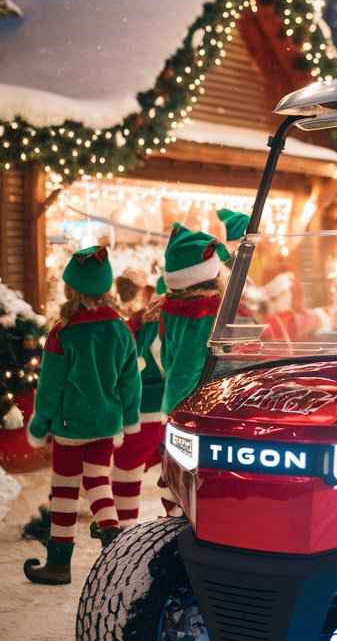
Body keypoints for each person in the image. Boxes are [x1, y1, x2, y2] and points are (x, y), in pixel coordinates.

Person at [23, 246, 141, 585]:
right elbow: (129, 382)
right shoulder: (120, 330)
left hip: (71, 426)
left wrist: (40, 424)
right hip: (107, 423)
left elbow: (50, 388)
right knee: (99, 482)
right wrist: (129, 417)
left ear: (70, 289)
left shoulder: (64, 332)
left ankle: (59, 563)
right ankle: (115, 545)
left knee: (64, 491)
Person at [156, 227, 225, 515]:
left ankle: (175, 524)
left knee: (176, 472)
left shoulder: (171, 308)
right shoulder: (207, 311)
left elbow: (171, 359)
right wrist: (180, 409)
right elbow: (187, 365)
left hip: (182, 402)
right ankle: (180, 530)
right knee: (192, 474)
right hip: (200, 406)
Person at [108, 274, 166, 530]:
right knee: (174, 474)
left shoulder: (143, 323)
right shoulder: (184, 322)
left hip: (146, 407)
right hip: (172, 408)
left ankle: (124, 527)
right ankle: (175, 523)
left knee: (126, 470)